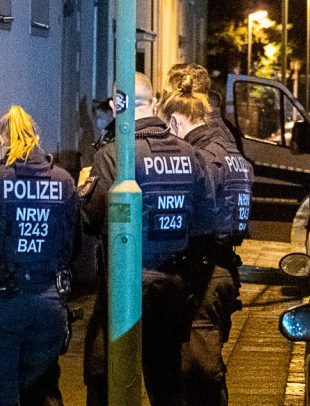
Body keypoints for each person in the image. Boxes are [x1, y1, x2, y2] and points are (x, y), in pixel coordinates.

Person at [79, 73, 216, 406]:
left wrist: (82, 194)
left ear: (116, 106)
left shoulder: (114, 155)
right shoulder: (189, 153)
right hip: (174, 285)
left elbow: (93, 219)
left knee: (105, 374)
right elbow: (206, 218)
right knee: (166, 382)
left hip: (125, 286)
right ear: (154, 102)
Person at [0, 105, 79, 406]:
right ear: (36, 138)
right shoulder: (63, 182)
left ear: (1, 141)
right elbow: (72, 248)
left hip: (0, 304)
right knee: (42, 391)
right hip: (49, 303)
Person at [160, 73, 255, 404]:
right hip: (222, 267)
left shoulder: (202, 157)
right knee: (206, 370)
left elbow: (193, 216)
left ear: (175, 120)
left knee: (197, 373)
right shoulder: (228, 146)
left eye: (167, 128)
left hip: (201, 274)